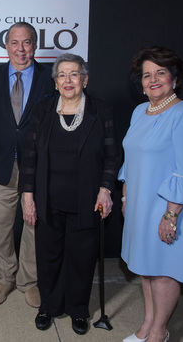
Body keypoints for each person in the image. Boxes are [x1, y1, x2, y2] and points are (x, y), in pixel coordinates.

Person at [19, 53, 117, 335]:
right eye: (62, 75)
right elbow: (29, 157)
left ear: (84, 79)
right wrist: (28, 196)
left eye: (74, 74)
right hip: (48, 199)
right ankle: (48, 305)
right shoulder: (43, 110)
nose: (68, 80)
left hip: (87, 199)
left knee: (81, 257)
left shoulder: (101, 111)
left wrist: (105, 189)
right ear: (55, 81)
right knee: (48, 256)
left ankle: (78, 309)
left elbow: (112, 155)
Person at [119, 47, 183, 342]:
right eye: (147, 75)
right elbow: (130, 160)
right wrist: (125, 196)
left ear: (174, 77)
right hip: (139, 205)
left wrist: (170, 215)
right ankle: (147, 324)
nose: (153, 79)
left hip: (169, 208)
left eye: (160, 73)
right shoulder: (139, 112)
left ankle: (159, 332)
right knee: (146, 267)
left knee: (164, 272)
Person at [0, 22, 54, 308]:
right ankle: (4, 279)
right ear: (6, 45)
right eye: (15, 42)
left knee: (33, 223)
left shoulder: (51, 79)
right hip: (1, 165)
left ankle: (29, 281)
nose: (21, 49)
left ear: (35, 46)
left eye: (27, 43)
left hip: (36, 166)